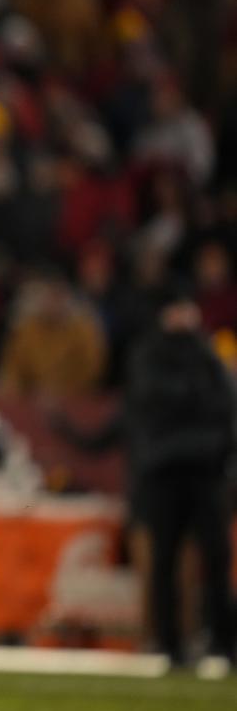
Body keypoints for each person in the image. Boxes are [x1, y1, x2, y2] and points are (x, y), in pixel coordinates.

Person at [54, 287, 234, 671]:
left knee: (215, 560)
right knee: (163, 562)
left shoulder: (204, 356)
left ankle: (223, 640)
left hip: (200, 473)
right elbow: (163, 402)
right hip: (163, 477)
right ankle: (170, 643)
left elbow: (222, 405)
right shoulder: (152, 357)